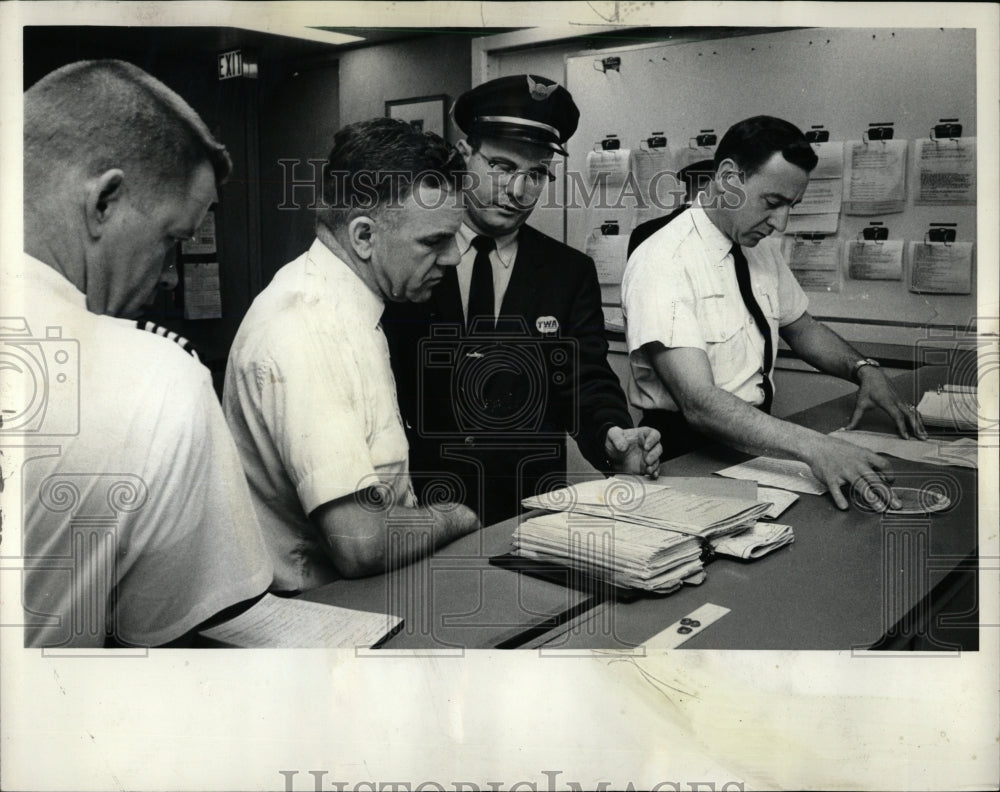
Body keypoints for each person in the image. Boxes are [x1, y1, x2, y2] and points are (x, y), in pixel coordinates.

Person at [13, 59, 273, 648]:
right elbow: (176, 640)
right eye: (172, 242)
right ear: (104, 201)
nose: (172, 279)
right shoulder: (156, 378)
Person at [383, 74, 662, 529]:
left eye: (535, 175)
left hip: (531, 510)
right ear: (464, 155)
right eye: (501, 167)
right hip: (424, 511)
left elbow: (585, 378)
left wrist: (613, 432)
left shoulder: (568, 272)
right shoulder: (413, 256)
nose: (518, 192)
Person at [223, 118, 480, 592]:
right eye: (434, 241)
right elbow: (358, 540)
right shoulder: (306, 329)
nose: (453, 259)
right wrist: (455, 516)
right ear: (363, 236)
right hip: (314, 621)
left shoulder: (349, 309)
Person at [622, 115, 926, 510]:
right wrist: (816, 447)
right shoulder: (663, 259)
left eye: (791, 207)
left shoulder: (757, 245)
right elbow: (699, 403)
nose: (780, 223)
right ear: (729, 177)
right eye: (773, 203)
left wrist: (864, 368)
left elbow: (801, 327)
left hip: (751, 445)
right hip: (687, 456)